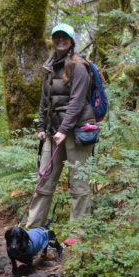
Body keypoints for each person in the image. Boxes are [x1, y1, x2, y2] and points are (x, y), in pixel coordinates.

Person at [26, 24, 96, 230]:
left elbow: (77, 101)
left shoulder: (79, 66)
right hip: (53, 132)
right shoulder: (49, 66)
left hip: (77, 132)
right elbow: (44, 100)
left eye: (64, 37)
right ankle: (32, 230)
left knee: (79, 184)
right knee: (44, 182)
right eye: (56, 36)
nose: (60, 40)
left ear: (72, 40)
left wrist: (64, 130)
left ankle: (78, 233)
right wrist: (42, 126)